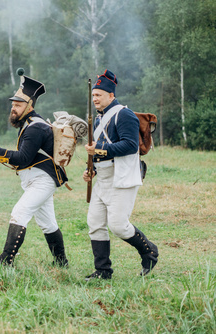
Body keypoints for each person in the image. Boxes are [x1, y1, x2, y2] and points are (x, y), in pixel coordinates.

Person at [0, 69, 69, 267]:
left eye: (18, 104)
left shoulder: (35, 127)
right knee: (48, 223)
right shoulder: (28, 125)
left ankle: (6, 260)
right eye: (13, 104)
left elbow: (22, 158)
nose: (13, 108)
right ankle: (61, 263)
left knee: (19, 212)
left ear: (30, 105)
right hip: (36, 180)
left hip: (43, 180)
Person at [82, 69, 159, 280]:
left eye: (98, 95)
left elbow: (130, 145)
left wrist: (99, 151)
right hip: (104, 178)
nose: (95, 98)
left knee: (118, 225)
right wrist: (92, 170)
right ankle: (103, 270)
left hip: (122, 177)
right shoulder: (98, 120)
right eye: (93, 95)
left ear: (111, 95)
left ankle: (149, 251)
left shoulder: (124, 114)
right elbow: (100, 153)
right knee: (95, 223)